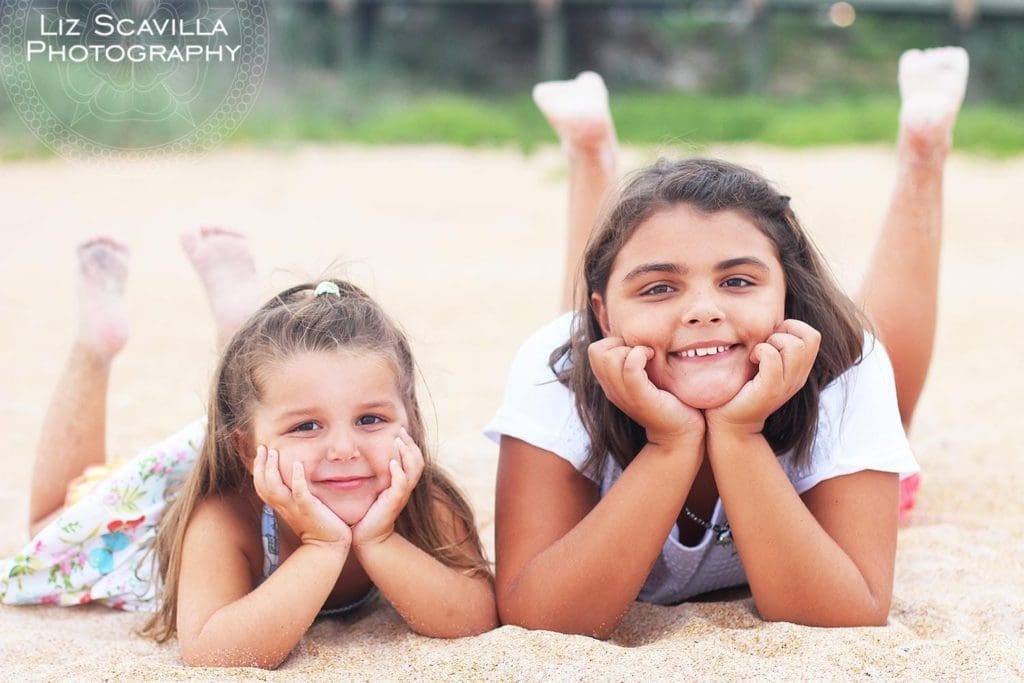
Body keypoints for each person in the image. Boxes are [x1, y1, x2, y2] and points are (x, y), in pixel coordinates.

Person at [487, 47, 968, 636]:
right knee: (608, 291)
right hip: (597, 346)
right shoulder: (552, 368)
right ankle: (591, 161)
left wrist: (739, 437)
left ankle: (922, 158)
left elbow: (850, 612)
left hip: (822, 415)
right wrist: (669, 444)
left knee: (878, 368)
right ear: (604, 317)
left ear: (788, 296)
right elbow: (541, 617)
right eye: (661, 289)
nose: (703, 312)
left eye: (738, 281)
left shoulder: (845, 368)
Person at [0, 229, 497, 668]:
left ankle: (242, 340)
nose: (344, 449)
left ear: (409, 417)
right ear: (246, 448)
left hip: (266, 429)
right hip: (150, 524)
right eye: (307, 426)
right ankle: (95, 347)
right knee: (51, 522)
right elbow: (212, 652)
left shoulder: (424, 501)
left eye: (371, 419)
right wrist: (324, 547)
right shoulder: (225, 518)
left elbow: (476, 616)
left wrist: (378, 540)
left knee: (271, 397)